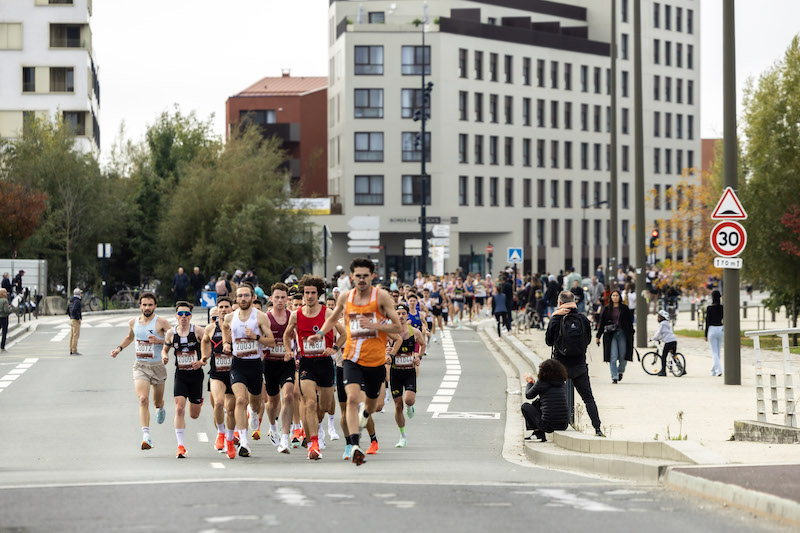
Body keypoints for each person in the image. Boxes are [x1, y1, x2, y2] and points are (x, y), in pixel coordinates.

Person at [313, 257, 403, 466]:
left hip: (375, 361)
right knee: (351, 399)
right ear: (351, 277)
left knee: (371, 404)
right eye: (358, 276)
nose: (361, 280)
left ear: (372, 276)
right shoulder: (346, 297)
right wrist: (321, 334)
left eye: (365, 276)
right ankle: (354, 445)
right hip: (351, 358)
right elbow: (333, 318)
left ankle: (364, 417)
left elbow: (397, 327)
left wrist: (374, 324)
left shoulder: (380, 297)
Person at [283, 275, 344, 460]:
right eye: (306, 293)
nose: (309, 296)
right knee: (309, 402)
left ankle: (315, 427)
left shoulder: (326, 313)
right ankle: (314, 444)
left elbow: (344, 334)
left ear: (318, 294)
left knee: (324, 406)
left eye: (313, 293)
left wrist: (333, 348)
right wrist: (290, 352)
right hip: (307, 363)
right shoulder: (296, 314)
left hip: (325, 362)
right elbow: (287, 336)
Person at [221, 283, 276, 458]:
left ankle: (253, 412)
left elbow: (272, 342)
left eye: (246, 295)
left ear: (252, 297)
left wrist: (256, 337)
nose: (243, 299)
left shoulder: (260, 317)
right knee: (240, 400)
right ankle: (244, 441)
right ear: (235, 298)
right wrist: (226, 342)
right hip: (238, 364)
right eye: (240, 296)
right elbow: (224, 327)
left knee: (255, 403)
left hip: (255, 365)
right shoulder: (231, 317)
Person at [110, 292, 171, 450]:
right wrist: (119, 348)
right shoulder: (133, 322)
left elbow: (175, 338)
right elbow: (130, 337)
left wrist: (159, 341)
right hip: (140, 366)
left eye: (150, 305)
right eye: (144, 304)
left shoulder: (162, 322)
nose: (147, 307)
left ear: (155, 306)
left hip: (157, 366)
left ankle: (161, 407)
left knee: (156, 401)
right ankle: (146, 436)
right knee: (143, 399)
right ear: (140, 306)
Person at [545, 291, 604, 437]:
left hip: (560, 366)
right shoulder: (583, 319)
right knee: (588, 398)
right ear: (574, 301)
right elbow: (588, 340)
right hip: (579, 365)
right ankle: (597, 428)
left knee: (553, 395)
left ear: (559, 303)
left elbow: (548, 341)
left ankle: (555, 424)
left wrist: (554, 318)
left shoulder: (556, 319)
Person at [161, 301, 207, 459]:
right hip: (180, 374)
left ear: (191, 316)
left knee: (194, 415)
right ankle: (180, 446)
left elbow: (208, 347)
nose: (184, 317)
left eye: (187, 314)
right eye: (181, 314)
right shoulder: (171, 333)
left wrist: (202, 361)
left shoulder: (198, 331)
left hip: (196, 376)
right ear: (176, 316)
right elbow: (165, 349)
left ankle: (198, 400)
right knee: (179, 409)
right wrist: (165, 356)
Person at [201, 298, 237, 458]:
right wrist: (204, 356)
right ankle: (221, 433)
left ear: (231, 309)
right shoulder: (210, 328)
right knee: (218, 403)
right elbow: (204, 341)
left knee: (230, 410)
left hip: (235, 372)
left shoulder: (237, 327)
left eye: (226, 307)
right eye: (221, 307)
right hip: (217, 373)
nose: (223, 309)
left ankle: (230, 439)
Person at [388, 303, 425, 448]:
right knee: (398, 406)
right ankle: (402, 435)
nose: (401, 316)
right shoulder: (390, 332)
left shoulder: (414, 332)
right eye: (398, 313)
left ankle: (411, 406)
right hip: (395, 372)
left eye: (404, 313)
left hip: (409, 371)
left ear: (407, 315)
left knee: (409, 400)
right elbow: (383, 346)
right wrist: (387, 351)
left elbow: (423, 344)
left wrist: (419, 357)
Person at [521, 359, 570, 441]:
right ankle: (538, 434)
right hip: (564, 425)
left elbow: (528, 395)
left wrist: (530, 382)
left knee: (525, 406)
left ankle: (537, 433)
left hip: (548, 425)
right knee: (537, 403)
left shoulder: (542, 382)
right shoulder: (562, 383)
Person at [596, 290, 635, 384]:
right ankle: (614, 376)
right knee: (613, 356)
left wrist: (631, 332)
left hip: (622, 334)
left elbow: (630, 322)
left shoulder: (624, 308)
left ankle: (620, 371)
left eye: (617, 295)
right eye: (613, 295)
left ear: (619, 297)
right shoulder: (607, 309)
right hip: (611, 335)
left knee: (623, 356)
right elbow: (602, 323)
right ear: (611, 297)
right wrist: (598, 336)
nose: (615, 297)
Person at [651, 310, 678, 377]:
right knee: (674, 355)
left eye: (659, 317)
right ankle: (681, 368)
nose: (658, 319)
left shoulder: (662, 324)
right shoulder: (667, 324)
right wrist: (661, 338)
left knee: (663, 357)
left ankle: (663, 371)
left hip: (668, 342)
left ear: (663, 318)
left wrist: (653, 338)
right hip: (674, 340)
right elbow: (666, 333)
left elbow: (658, 333)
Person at [705, 290, 724, 377]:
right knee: (718, 351)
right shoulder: (722, 307)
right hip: (720, 328)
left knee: (714, 352)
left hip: (712, 329)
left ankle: (719, 370)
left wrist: (705, 334)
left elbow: (707, 322)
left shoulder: (709, 308)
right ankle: (713, 370)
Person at [67, 288, 83, 356]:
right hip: (75, 319)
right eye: (80, 293)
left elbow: (68, 310)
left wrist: (71, 316)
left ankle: (71, 349)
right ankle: (74, 350)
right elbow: (75, 310)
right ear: (79, 294)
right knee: (76, 335)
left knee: (72, 335)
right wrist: (78, 318)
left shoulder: (71, 300)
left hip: (71, 319)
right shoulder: (77, 301)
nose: (81, 294)